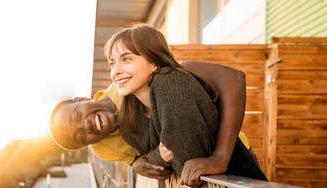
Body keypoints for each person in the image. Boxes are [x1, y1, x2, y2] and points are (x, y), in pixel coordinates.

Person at [105, 24, 267, 187]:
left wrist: (217, 158)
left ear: (153, 62)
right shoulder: (130, 114)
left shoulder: (171, 82)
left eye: (126, 59)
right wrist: (160, 156)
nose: (115, 71)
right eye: (112, 63)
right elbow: (156, 166)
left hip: (237, 181)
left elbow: (186, 158)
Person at [49, 61, 255, 181]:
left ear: (82, 99)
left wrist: (220, 157)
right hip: (197, 176)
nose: (85, 126)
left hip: (231, 153)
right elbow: (146, 162)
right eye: (81, 137)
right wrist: (140, 164)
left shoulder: (132, 79)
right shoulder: (103, 149)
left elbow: (232, 79)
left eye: (77, 116)